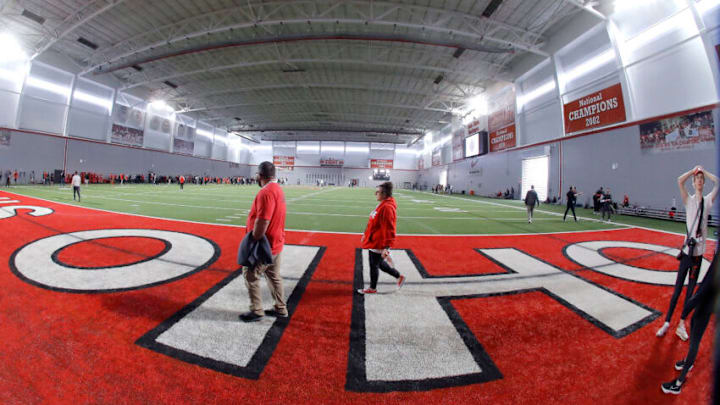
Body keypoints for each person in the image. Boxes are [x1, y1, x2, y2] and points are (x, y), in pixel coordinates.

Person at [657, 166, 718, 339]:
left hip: (698, 256)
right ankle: (667, 322)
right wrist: (693, 171)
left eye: (701, 180)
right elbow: (679, 180)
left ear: (703, 183)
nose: (699, 181)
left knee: (690, 294)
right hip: (686, 254)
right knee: (677, 291)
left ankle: (682, 323)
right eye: (697, 180)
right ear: (693, 183)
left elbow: (717, 183)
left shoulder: (708, 201)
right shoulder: (689, 200)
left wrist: (704, 172)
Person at [661, 250, 716, 395]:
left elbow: (707, 285)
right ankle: (688, 362)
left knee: (695, 338)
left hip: (706, 299)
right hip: (710, 299)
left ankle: (678, 383)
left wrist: (685, 312)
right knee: (695, 332)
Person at [239, 161, 287, 322]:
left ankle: (257, 310)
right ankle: (280, 308)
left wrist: (253, 240)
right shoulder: (278, 189)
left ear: (260, 176)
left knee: (250, 274)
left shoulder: (265, 193)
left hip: (266, 245)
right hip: (276, 241)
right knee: (274, 276)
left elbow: (263, 221)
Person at [357, 181, 406, 294]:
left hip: (379, 242)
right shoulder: (382, 204)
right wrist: (366, 234)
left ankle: (372, 288)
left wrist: (387, 247)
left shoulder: (387, 207)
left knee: (374, 265)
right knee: (378, 264)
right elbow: (374, 222)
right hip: (374, 239)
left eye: (377, 192)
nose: (375, 194)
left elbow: (389, 229)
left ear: (384, 194)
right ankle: (399, 277)